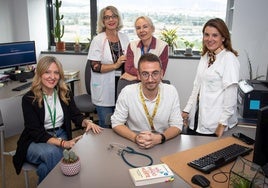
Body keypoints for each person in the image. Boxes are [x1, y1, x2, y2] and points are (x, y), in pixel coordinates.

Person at [13, 56, 103, 184]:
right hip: (34, 140)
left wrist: (86, 122)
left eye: (56, 72)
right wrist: (63, 144)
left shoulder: (64, 92)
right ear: (39, 74)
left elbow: (76, 115)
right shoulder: (29, 99)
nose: (52, 77)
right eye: (47, 72)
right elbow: (35, 132)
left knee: (47, 167)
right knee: (53, 154)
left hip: (60, 133)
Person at [182, 18, 240, 137]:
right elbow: (196, 86)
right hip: (198, 117)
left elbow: (231, 94)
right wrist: (187, 110)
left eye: (215, 35)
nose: (209, 39)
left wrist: (222, 124)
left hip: (215, 122)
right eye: (206, 35)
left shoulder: (229, 59)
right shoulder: (206, 56)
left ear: (223, 37)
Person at [111, 53, 182, 149]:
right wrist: (135, 138)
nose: (150, 79)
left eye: (155, 73)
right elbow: (117, 123)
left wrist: (159, 138)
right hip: (135, 142)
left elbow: (177, 125)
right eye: (145, 74)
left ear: (161, 74)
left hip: (163, 142)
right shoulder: (127, 92)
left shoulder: (171, 91)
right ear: (138, 75)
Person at [87, 6, 129, 128]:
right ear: (103, 21)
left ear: (118, 18)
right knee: (106, 126)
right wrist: (115, 65)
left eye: (114, 16)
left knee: (122, 126)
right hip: (104, 89)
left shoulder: (124, 37)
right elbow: (95, 66)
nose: (111, 20)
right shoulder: (98, 40)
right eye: (107, 17)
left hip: (121, 86)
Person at [120, 16, 168, 81]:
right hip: (134, 85)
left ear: (152, 29)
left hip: (154, 85)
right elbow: (128, 68)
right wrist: (149, 74)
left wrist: (137, 77)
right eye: (138, 28)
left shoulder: (162, 46)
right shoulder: (132, 45)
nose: (141, 30)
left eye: (145, 27)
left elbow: (160, 73)